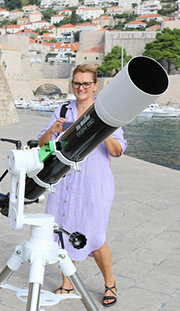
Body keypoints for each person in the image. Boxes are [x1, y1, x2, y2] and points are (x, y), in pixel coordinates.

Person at [37, 64, 126, 307]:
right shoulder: (63, 110)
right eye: (77, 83)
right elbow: (41, 145)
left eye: (86, 83)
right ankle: (67, 282)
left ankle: (110, 283)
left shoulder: (107, 112)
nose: (81, 88)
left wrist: (102, 127)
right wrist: (53, 131)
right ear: (72, 85)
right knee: (63, 232)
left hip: (94, 185)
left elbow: (117, 151)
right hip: (64, 182)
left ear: (95, 86)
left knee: (95, 237)